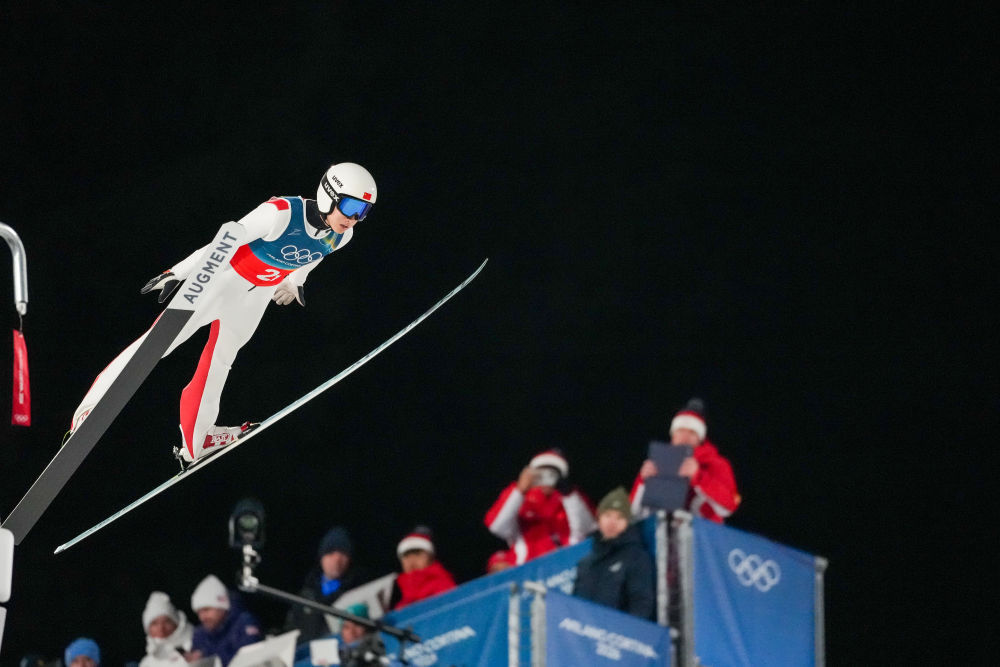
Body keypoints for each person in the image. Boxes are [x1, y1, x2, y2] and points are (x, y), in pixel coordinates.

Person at [67, 163, 377, 465]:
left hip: (254, 298)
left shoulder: (341, 236)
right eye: (351, 207)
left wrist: (295, 281)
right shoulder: (281, 213)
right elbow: (226, 240)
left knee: (220, 361)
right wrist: (178, 272)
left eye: (363, 212)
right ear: (329, 195)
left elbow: (315, 255)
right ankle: (89, 411)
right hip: (221, 282)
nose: (354, 219)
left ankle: (197, 439)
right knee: (157, 345)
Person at [629, 398, 740, 522]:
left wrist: (699, 477)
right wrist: (643, 483)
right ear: (673, 435)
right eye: (680, 430)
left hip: (701, 532)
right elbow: (632, 514)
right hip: (660, 528)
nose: (685, 437)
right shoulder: (657, 462)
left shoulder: (716, 464)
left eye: (692, 432)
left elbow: (728, 507)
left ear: (700, 438)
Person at [484, 448, 596, 564]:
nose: (546, 478)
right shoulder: (518, 499)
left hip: (572, 563)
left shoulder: (573, 496)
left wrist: (569, 495)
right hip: (529, 568)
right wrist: (519, 490)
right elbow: (497, 527)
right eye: (541, 473)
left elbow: (588, 529)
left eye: (552, 473)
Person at [573, 487, 655, 620]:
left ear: (627, 522)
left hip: (620, 631)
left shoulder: (636, 556)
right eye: (607, 515)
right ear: (599, 519)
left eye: (619, 517)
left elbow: (641, 604)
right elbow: (575, 610)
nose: (612, 522)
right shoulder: (585, 564)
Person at [284, 526, 369, 641]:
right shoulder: (304, 596)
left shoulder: (359, 591)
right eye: (331, 553)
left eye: (343, 554)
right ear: (321, 557)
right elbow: (290, 632)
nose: (337, 560)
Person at [189, 574, 261, 666]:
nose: (202, 617)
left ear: (222, 606)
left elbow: (251, 658)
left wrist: (207, 658)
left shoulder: (244, 622)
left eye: (206, 610)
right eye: (199, 612)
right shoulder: (200, 634)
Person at [391, 526, 457, 610]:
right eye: (406, 556)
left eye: (417, 554)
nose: (411, 560)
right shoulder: (402, 603)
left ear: (431, 557)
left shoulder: (443, 584)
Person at [138, 591, 194, 667]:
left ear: (176, 623)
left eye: (166, 621)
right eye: (154, 623)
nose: (161, 627)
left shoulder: (195, 647)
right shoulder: (147, 663)